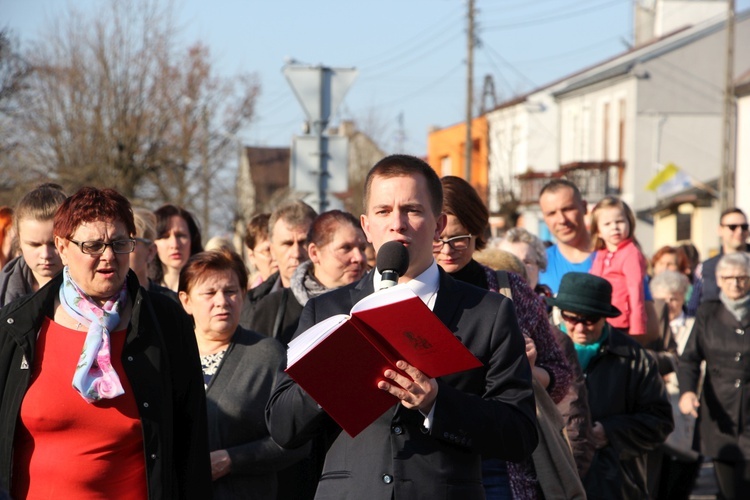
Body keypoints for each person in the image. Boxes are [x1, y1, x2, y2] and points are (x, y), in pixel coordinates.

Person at [266, 154, 538, 499]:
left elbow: (520, 433)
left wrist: (437, 402)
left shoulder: (488, 311)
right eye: (383, 211)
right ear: (367, 226)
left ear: (439, 225)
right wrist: (329, 376)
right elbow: (281, 426)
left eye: (412, 209)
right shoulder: (326, 309)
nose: (397, 223)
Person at [0, 187, 211, 499]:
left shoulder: (165, 324)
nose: (108, 256)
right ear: (62, 247)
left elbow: (190, 446)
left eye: (119, 243)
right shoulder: (17, 326)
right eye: (93, 246)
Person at [434, 175, 572, 499]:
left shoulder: (509, 288)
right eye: (438, 239)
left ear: (478, 232)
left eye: (460, 238)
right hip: (432, 453)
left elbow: (561, 375)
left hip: (501, 461)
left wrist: (526, 369)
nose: (448, 249)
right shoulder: (409, 291)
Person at [178, 249, 307, 500]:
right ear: (186, 301)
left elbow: (297, 440)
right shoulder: (171, 355)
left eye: (230, 291)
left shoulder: (266, 355)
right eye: (209, 293)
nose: (222, 301)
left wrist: (232, 460)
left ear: (243, 295)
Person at [548, 272, 673, 499]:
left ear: (604, 317)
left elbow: (660, 421)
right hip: (555, 476)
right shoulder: (542, 350)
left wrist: (609, 431)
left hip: (614, 482)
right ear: (560, 314)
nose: (580, 327)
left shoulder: (634, 357)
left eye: (589, 320)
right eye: (571, 318)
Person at [679, 252, 750, 498]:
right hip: (719, 412)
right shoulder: (707, 313)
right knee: (729, 489)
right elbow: (689, 358)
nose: (735, 283)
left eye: (741, 277)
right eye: (728, 277)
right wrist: (687, 392)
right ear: (718, 280)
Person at [249, 210, 368, 345]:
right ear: (314, 253)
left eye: (363, 248)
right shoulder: (273, 307)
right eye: (346, 248)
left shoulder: (377, 296)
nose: (359, 258)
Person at [649, 270, 701, 499]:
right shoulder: (648, 328)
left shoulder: (694, 326)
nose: (669, 304)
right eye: (663, 299)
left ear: (682, 298)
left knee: (680, 482)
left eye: (674, 298)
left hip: (686, 411)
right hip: (656, 409)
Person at [239, 200, 317, 328]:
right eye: (287, 243)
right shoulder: (251, 304)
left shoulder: (338, 298)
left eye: (303, 242)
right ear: (272, 249)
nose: (296, 253)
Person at [589, 196, 648, 336]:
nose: (615, 227)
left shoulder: (631, 253)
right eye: (607, 224)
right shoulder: (600, 254)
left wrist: (637, 327)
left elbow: (636, 290)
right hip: (601, 319)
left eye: (620, 221)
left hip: (622, 322)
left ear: (630, 223)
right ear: (598, 231)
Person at [0, 184, 67, 307]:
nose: (45, 254)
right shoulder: (3, 287)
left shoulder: (94, 288)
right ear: (19, 240)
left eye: (54, 244)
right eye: (35, 245)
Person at [687, 208, 750, 315]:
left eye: (744, 227)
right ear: (720, 230)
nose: (739, 231)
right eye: (732, 227)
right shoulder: (705, 268)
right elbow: (694, 308)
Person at [537, 179, 594, 295]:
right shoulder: (539, 265)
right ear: (544, 217)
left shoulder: (615, 257)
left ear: (584, 207)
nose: (562, 220)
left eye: (567, 209)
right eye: (552, 213)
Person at [129, 208, 178, 301]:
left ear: (150, 251)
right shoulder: (98, 302)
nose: (119, 251)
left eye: (129, 243)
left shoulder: (171, 302)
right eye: (117, 243)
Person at [151, 204, 203, 292]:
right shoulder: (143, 290)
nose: (175, 245)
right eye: (165, 236)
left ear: (192, 239)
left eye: (181, 235)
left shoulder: (207, 288)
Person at [497, 227, 553, 300]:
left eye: (527, 262)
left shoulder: (553, 307)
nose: (519, 268)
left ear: (539, 266)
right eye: (510, 261)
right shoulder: (487, 303)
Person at [244, 213, 278, 289]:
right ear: (251, 256)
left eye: (278, 248)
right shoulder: (248, 298)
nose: (276, 257)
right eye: (267, 250)